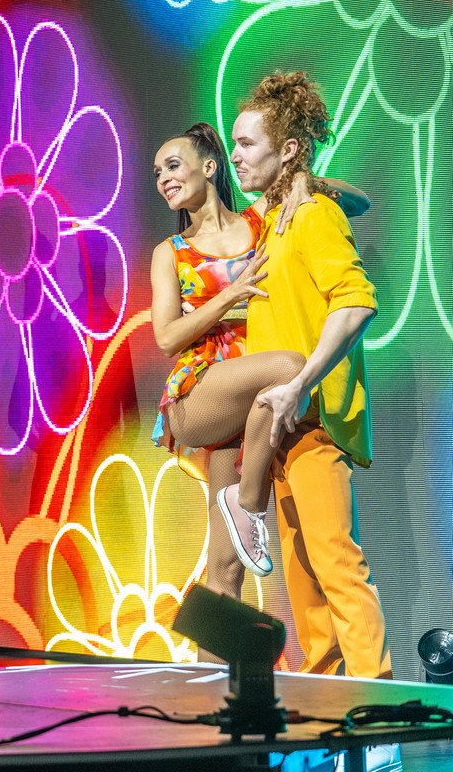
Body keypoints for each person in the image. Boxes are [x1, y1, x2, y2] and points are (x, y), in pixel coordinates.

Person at [150, 125, 371, 605]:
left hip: (254, 411)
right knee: (291, 366)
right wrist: (229, 296)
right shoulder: (171, 253)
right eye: (158, 173)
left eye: (173, 165)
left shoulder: (260, 221)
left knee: (226, 567)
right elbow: (166, 337)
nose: (163, 179)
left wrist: (302, 181)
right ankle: (247, 502)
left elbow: (360, 201)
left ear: (210, 167)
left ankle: (211, 659)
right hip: (201, 393)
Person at [231, 71, 389, 679]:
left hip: (311, 417)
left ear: (289, 149)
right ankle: (324, 703)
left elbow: (356, 301)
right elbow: (356, 196)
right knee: (304, 581)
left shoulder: (313, 214)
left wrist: (300, 383)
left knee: (336, 566)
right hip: (280, 425)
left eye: (247, 143)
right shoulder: (277, 217)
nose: (235, 155)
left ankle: (380, 700)